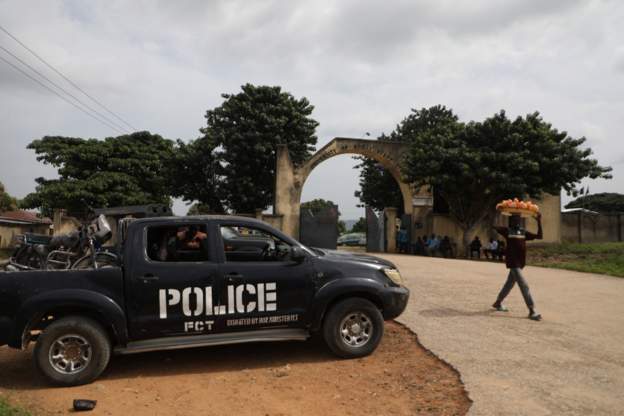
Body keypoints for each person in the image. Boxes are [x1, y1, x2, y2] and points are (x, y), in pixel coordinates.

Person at [492, 213, 543, 321]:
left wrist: (538, 221)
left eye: (518, 219)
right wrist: (498, 213)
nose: (517, 221)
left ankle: (498, 303)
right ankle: (532, 310)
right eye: (514, 219)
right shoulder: (507, 231)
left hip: (520, 263)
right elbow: (494, 226)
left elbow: (539, 236)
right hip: (513, 262)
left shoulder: (523, 232)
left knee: (509, 284)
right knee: (524, 285)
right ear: (510, 221)